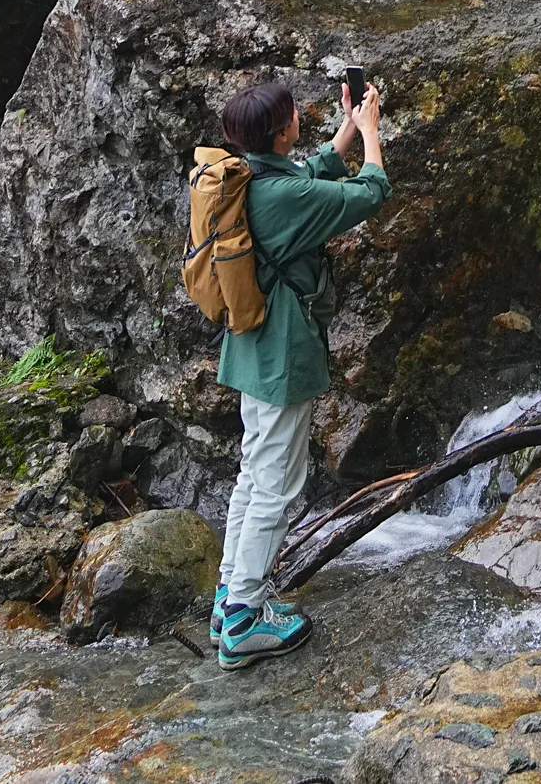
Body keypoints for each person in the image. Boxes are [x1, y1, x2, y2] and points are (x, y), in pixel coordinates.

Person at [210, 72, 390, 667]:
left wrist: (347, 125)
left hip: (251, 350)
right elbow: (370, 193)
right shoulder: (280, 197)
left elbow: (311, 174)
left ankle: (229, 598)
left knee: (252, 474)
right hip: (282, 357)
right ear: (278, 129)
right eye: (293, 113)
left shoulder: (252, 177)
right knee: (278, 488)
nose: (298, 117)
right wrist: (370, 135)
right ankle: (243, 619)